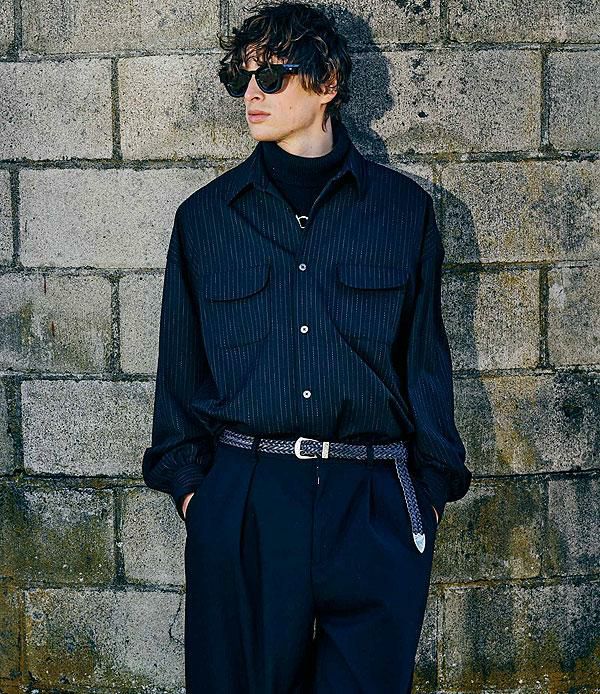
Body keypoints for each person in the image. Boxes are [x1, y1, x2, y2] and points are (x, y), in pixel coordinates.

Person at [142, 1, 472, 691]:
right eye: (241, 78)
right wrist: (200, 500)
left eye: (273, 75)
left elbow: (425, 363)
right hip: (247, 503)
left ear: (327, 84)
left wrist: (427, 497)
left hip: (373, 503)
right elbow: (179, 380)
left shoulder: (401, 212)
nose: (252, 94)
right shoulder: (205, 220)